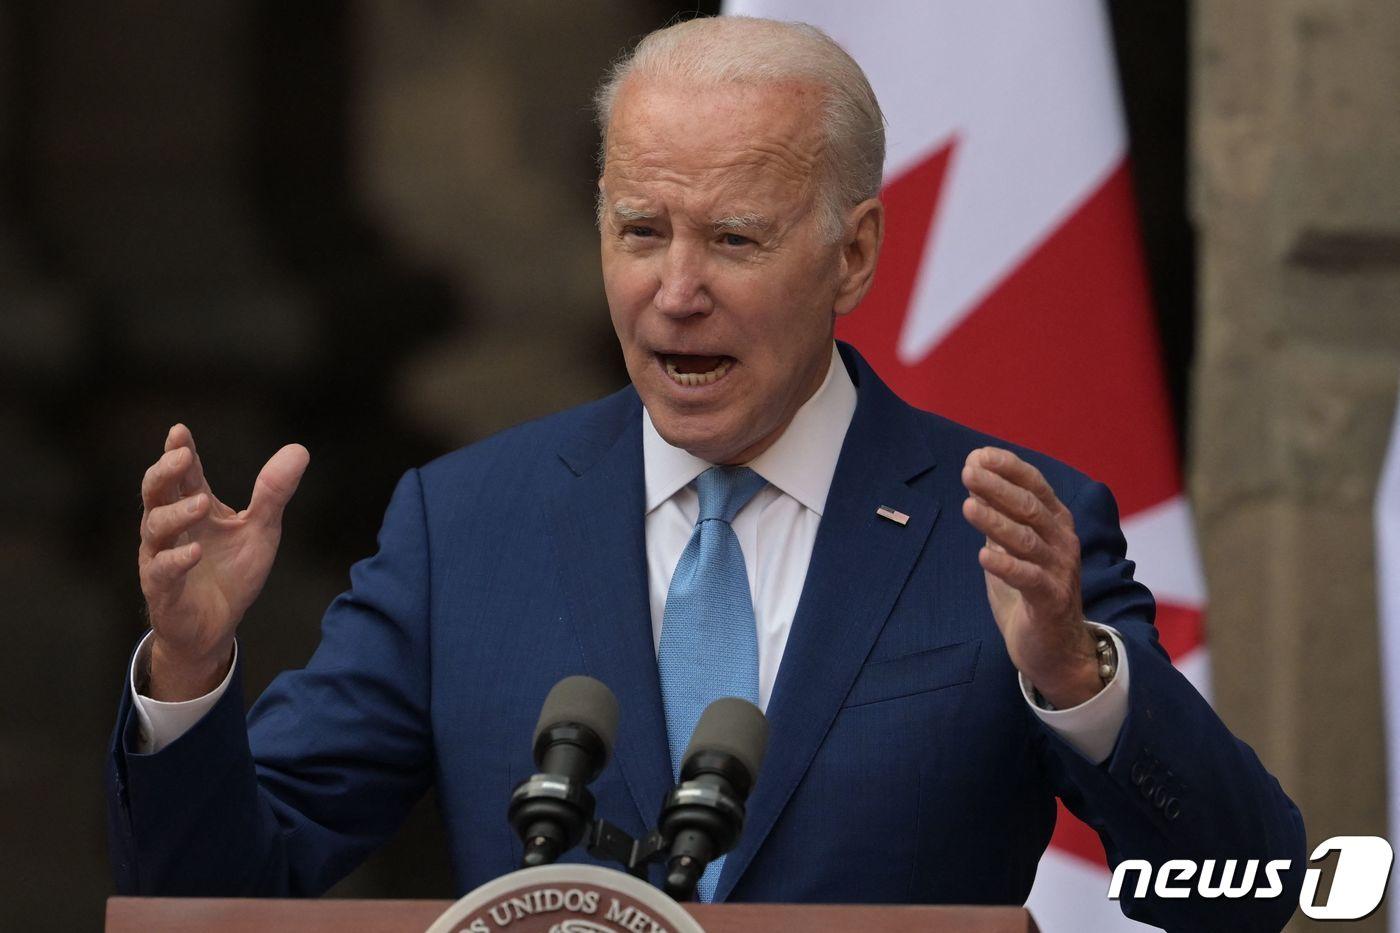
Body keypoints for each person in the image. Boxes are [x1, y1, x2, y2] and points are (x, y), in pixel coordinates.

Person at [108, 16, 1305, 930]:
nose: (675, 290)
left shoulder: (1003, 533)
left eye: (732, 238)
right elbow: (217, 896)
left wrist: (1076, 680)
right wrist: (192, 668)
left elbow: (1246, 892)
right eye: (640, 232)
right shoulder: (462, 526)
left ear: (853, 253)